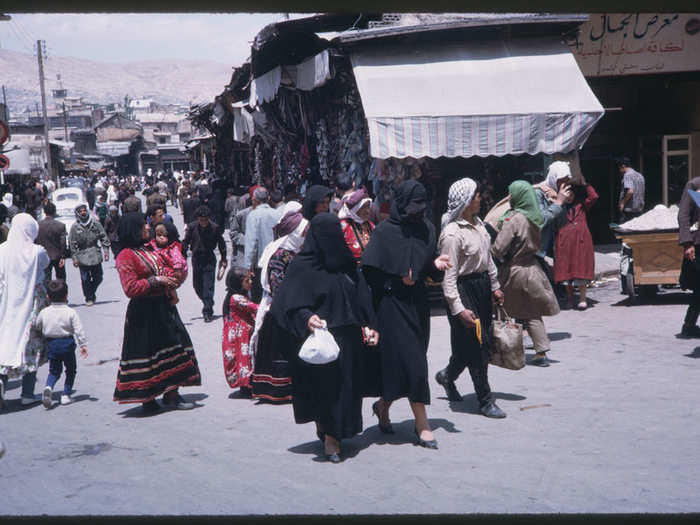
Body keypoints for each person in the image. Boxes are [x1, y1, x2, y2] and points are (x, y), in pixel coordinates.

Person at [270, 213, 379, 462]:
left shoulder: (347, 264)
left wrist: (371, 324)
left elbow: (362, 296)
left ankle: (339, 431)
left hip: (349, 337)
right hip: (322, 338)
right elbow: (287, 304)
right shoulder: (302, 266)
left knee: (348, 387)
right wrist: (307, 317)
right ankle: (331, 438)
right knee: (327, 389)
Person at [361, 180, 451, 449]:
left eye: (421, 207)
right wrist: (398, 281)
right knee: (415, 364)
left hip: (417, 305)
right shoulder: (385, 233)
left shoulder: (427, 229)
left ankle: (382, 406)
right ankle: (422, 424)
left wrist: (436, 266)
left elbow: (427, 265)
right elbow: (370, 277)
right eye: (412, 207)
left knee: (408, 362)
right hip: (391, 306)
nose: (417, 212)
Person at [113, 212, 200, 413]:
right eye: (143, 225)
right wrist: (156, 281)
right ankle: (148, 400)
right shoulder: (126, 255)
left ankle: (172, 395)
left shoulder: (147, 249)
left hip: (163, 307)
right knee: (149, 356)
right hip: (143, 314)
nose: (147, 228)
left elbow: (164, 269)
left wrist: (172, 281)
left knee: (176, 347)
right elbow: (130, 288)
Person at [434, 178, 506, 415]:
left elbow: (488, 261)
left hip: (482, 287)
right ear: (465, 201)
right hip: (463, 292)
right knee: (478, 345)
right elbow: (449, 277)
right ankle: (485, 400)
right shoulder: (452, 235)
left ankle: (447, 376)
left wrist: (495, 286)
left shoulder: (480, 226)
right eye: (475, 195)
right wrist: (458, 307)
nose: (479, 198)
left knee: (470, 346)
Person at [492, 181, 561, 367]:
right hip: (533, 269)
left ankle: (503, 347)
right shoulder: (535, 217)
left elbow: (499, 248)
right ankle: (541, 351)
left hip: (514, 271)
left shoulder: (514, 219)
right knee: (531, 311)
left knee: (501, 308)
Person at [250, 203, 308, 402]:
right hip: (280, 310)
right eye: (303, 232)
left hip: (294, 307)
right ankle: (276, 390)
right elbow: (277, 285)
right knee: (278, 349)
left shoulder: (298, 253)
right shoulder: (279, 254)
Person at [0, 213, 50, 409]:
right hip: (32, 304)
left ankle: (1, 382)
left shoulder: (1, 250)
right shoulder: (37, 252)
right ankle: (27, 393)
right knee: (31, 346)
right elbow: (45, 264)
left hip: (6, 303)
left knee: (5, 340)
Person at [35, 280, 88, 408]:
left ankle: (49, 387)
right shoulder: (70, 312)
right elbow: (78, 329)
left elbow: (38, 325)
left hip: (51, 344)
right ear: (67, 295)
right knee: (70, 370)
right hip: (67, 343)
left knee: (54, 371)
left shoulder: (44, 312)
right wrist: (83, 344)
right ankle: (66, 394)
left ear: (48, 296)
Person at [553, 180, 599, 310]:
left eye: (571, 194)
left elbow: (594, 197)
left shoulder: (582, 206)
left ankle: (582, 298)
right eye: (566, 194)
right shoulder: (557, 207)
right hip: (564, 242)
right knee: (566, 271)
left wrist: (586, 184)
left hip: (581, 241)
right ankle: (570, 299)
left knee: (580, 269)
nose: (569, 197)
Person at [182, 206, 227, 323]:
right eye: (201, 220)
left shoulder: (214, 228)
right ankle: (208, 301)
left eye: (206, 220)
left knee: (208, 285)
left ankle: (207, 310)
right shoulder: (192, 227)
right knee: (197, 286)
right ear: (198, 219)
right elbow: (185, 241)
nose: (203, 222)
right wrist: (182, 256)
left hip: (209, 258)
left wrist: (224, 258)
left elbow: (221, 244)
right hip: (196, 259)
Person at [221, 267, 258, 397]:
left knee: (244, 357)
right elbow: (253, 308)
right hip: (238, 335)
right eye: (247, 280)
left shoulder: (240, 294)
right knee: (242, 358)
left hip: (241, 331)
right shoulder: (236, 297)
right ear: (238, 283)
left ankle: (247, 385)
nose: (251, 282)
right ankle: (246, 386)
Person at [69, 204, 110, 306]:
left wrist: (106, 251)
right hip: (82, 255)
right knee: (85, 279)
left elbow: (103, 237)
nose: (83, 212)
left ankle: (91, 291)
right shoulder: (75, 227)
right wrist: (74, 258)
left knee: (99, 277)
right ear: (77, 213)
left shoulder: (95, 223)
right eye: (81, 211)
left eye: (84, 210)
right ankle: (89, 297)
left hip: (95, 253)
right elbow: (72, 243)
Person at [536, 161, 572, 277]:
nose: (564, 184)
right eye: (561, 180)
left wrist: (558, 199)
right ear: (553, 178)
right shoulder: (538, 193)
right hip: (538, 248)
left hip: (553, 246)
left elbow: (563, 223)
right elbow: (541, 220)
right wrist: (558, 203)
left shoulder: (558, 194)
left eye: (567, 180)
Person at [244, 187, 280, 303]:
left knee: (259, 299)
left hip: (259, 265)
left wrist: (248, 266)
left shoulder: (253, 215)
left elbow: (251, 242)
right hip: (276, 262)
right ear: (268, 198)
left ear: (254, 199)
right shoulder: (277, 214)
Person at [677, 177, 700, 337]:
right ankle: (689, 324)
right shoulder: (694, 185)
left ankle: (689, 324)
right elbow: (683, 215)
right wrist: (687, 242)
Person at [150, 221, 187, 306]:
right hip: (162, 270)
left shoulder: (173, 248)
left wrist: (177, 271)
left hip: (173, 271)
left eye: (164, 235)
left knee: (170, 283)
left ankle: (174, 297)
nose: (161, 238)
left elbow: (178, 260)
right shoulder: (154, 246)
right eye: (158, 235)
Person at [35, 201, 69, 285]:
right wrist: (63, 256)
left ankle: (48, 295)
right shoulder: (60, 225)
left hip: (44, 256)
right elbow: (63, 243)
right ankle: (61, 293)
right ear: (55, 211)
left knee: (46, 278)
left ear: (44, 212)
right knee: (61, 277)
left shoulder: (38, 225)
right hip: (57, 256)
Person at [338, 188, 374, 263]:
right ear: (355, 209)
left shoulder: (371, 226)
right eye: (363, 207)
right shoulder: (343, 226)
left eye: (368, 206)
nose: (367, 211)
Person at [617, 156, 645, 222]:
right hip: (639, 210)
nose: (619, 171)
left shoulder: (627, 175)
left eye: (619, 168)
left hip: (629, 211)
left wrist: (622, 203)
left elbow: (630, 191)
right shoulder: (640, 175)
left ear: (623, 166)